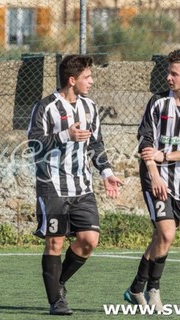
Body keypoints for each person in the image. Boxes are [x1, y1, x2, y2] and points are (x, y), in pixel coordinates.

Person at [27, 54, 122, 315]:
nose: (91, 81)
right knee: (55, 243)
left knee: (89, 240)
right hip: (53, 186)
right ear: (72, 80)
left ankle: (58, 283)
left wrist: (106, 172)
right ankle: (56, 301)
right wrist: (64, 135)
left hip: (82, 187)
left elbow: (95, 143)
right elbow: (33, 145)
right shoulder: (45, 107)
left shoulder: (90, 107)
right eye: (87, 77)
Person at [124, 49, 180, 312]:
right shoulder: (158, 103)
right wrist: (155, 173)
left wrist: (166, 154)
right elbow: (146, 144)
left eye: (175, 74)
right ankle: (153, 289)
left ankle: (136, 288)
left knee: (163, 237)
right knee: (167, 232)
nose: (169, 78)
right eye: (169, 72)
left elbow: (161, 151)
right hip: (156, 177)